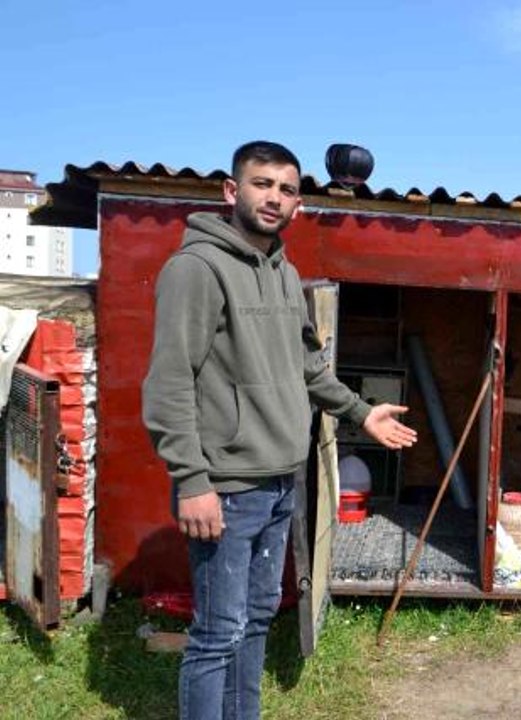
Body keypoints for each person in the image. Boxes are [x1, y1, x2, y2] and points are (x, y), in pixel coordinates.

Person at [142, 140, 418, 720]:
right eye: (262, 183)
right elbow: (169, 383)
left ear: (298, 204)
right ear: (231, 191)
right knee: (217, 631)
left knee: (258, 617)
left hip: (279, 482)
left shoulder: (285, 274)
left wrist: (361, 412)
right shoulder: (196, 270)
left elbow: (306, 367)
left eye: (287, 189)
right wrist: (193, 481)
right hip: (225, 488)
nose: (274, 198)